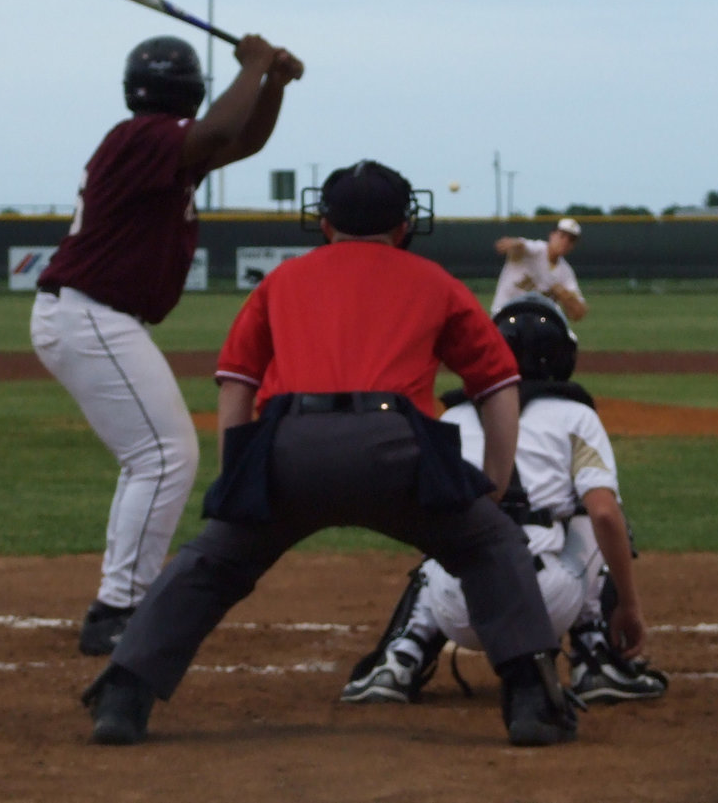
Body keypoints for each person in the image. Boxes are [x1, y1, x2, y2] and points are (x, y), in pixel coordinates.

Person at [79, 160, 579, 748]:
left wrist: (240, 478)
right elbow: (498, 385)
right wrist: (493, 481)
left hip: (291, 444)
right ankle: (532, 702)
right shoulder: (435, 281)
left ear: (325, 224)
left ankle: (123, 695)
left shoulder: (282, 280)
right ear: (404, 226)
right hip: (396, 450)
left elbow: (237, 383)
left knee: (214, 561)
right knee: (490, 544)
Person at [30, 33, 304, 656]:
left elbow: (243, 140)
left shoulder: (157, 146)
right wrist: (255, 66)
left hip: (95, 316)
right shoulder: (144, 139)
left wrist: (273, 84)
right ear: (192, 90)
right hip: (91, 314)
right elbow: (219, 129)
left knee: (155, 456)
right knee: (163, 455)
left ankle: (121, 600)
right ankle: (117, 609)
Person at [340, 293, 667, 706]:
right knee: (594, 514)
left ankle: (401, 656)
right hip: (544, 608)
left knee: (445, 525)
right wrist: (630, 605)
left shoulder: (453, 417)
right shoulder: (576, 416)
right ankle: (595, 658)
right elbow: (604, 513)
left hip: (456, 605)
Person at [490, 218, 588, 322]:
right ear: (552, 235)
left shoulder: (566, 272)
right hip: (504, 316)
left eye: (571, 240)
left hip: (536, 325)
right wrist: (514, 244)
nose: (565, 242)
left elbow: (579, 313)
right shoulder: (537, 249)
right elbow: (521, 245)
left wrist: (562, 293)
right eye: (562, 236)